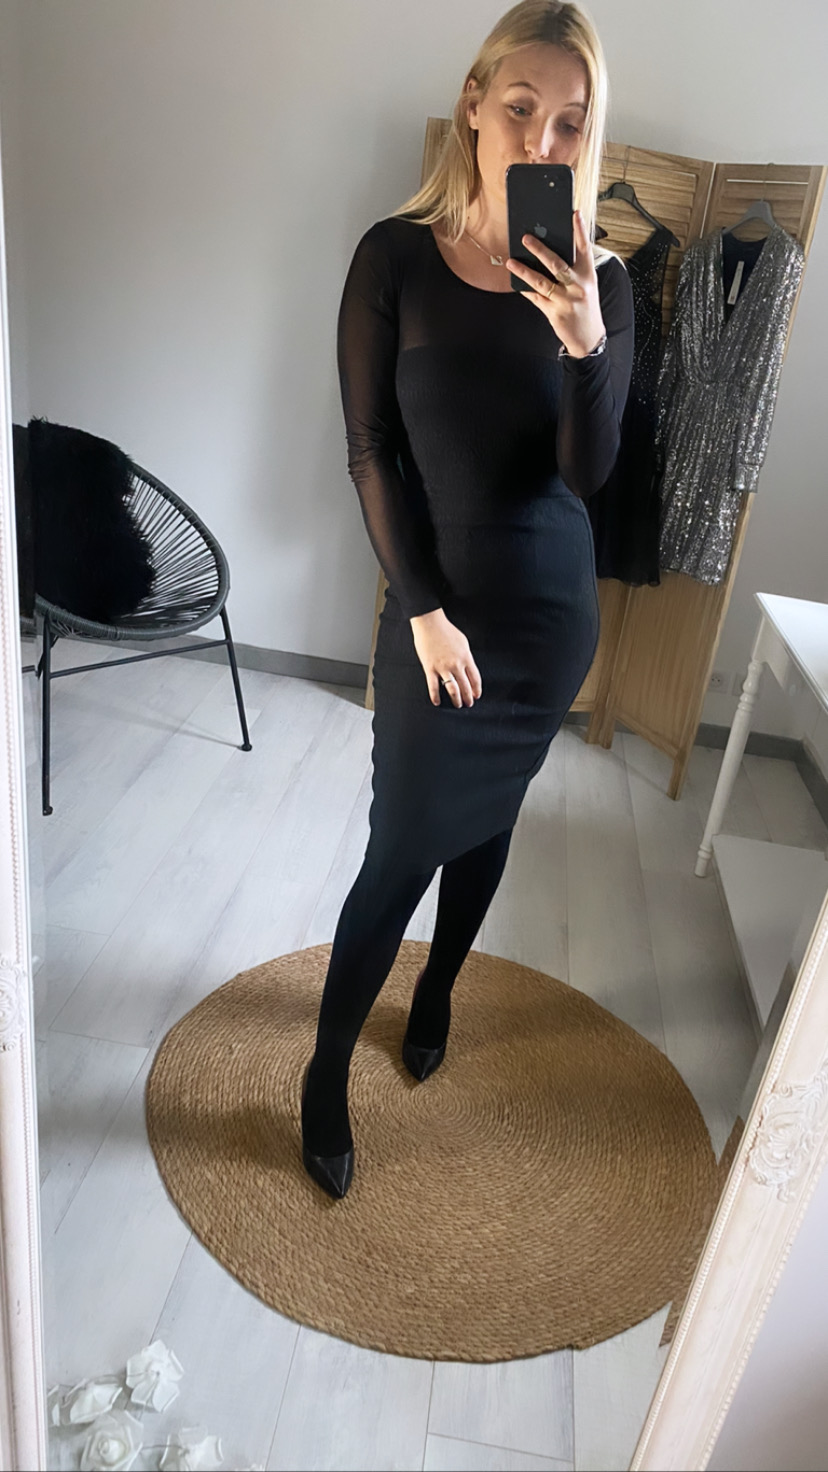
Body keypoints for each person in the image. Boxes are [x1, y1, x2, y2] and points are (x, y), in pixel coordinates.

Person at [301, 0, 634, 1199]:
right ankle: (325, 1074)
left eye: (571, 122)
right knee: (400, 846)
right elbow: (370, 452)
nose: (543, 141)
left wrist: (586, 343)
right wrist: (424, 609)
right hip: (435, 608)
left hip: (547, 617)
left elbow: (587, 476)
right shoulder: (393, 258)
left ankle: (439, 987)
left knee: (490, 823)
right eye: (521, 109)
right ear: (473, 107)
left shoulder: (604, 280)